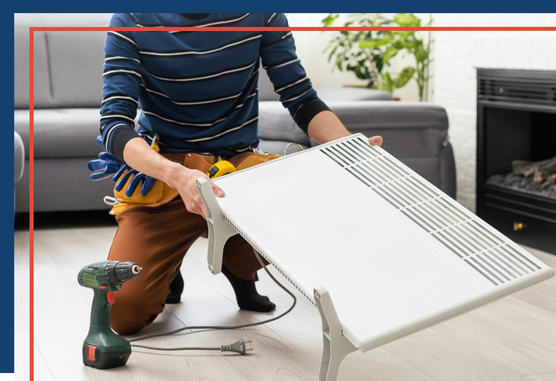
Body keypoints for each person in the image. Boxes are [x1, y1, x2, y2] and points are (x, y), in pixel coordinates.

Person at [94, 13, 383, 335]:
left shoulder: (262, 12)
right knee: (122, 315)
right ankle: (169, 265)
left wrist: (350, 145)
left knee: (300, 206)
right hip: (168, 175)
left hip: (239, 170)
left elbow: (301, 97)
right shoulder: (131, 17)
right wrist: (175, 175)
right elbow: (114, 124)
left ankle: (241, 269)